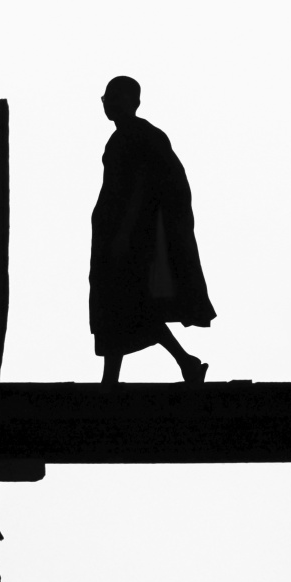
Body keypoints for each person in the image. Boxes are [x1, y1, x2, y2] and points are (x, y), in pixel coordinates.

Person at [88, 75, 215, 384]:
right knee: (116, 302)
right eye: (106, 98)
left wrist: (124, 233)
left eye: (116, 97)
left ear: (134, 102)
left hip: (132, 237)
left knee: (129, 303)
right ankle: (177, 365)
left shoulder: (141, 137)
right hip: (115, 233)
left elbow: (141, 190)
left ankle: (181, 363)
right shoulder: (122, 138)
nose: (109, 103)